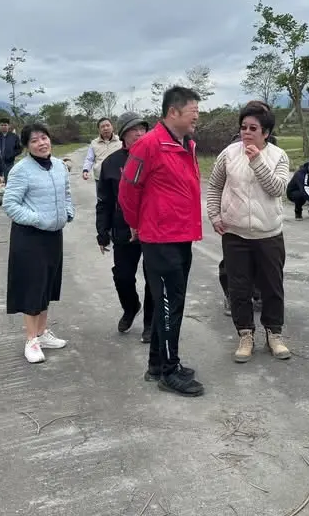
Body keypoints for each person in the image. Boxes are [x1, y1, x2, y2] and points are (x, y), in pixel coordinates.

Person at [119, 85, 205, 397]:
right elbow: (128, 190)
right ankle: (169, 371)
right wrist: (136, 225)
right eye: (192, 113)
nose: (197, 118)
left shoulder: (185, 143)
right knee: (171, 305)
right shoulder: (149, 145)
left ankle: (158, 364)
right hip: (160, 238)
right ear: (173, 112)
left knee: (169, 303)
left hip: (182, 236)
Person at [207, 101, 292, 363]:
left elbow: (277, 189)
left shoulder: (278, 156)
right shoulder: (229, 154)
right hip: (236, 235)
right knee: (239, 288)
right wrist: (214, 214)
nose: (246, 132)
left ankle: (274, 333)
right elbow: (214, 186)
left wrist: (256, 160)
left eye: (253, 128)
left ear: (265, 132)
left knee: (272, 288)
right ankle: (245, 334)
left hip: (269, 234)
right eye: (243, 127)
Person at [3, 123, 74, 364]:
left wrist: (67, 213)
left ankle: (43, 333)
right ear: (26, 146)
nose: (41, 143)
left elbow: (66, 194)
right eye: (34, 141)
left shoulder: (58, 167)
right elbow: (10, 204)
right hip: (30, 237)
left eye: (44, 138)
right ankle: (31, 339)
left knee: (48, 284)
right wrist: (36, 219)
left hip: (54, 235)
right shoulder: (21, 170)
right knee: (33, 286)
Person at [96, 112, 153, 343]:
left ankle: (151, 322)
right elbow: (104, 201)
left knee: (154, 277)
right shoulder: (112, 163)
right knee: (123, 276)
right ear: (123, 135)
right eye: (133, 130)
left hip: (152, 229)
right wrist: (102, 232)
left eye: (143, 129)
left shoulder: (155, 158)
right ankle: (131, 307)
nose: (139, 133)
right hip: (123, 229)